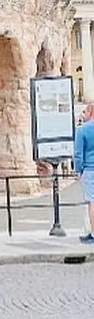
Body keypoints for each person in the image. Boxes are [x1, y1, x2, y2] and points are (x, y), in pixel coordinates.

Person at [74, 103, 94, 244]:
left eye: (85, 111)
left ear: (90, 112)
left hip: (89, 169)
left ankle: (93, 233)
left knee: (92, 201)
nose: (83, 114)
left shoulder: (82, 130)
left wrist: (78, 170)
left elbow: (78, 154)